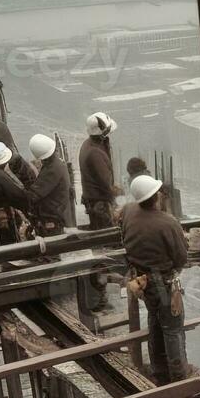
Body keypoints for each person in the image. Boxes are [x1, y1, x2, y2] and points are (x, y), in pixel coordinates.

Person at [120, 174, 198, 384]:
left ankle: (159, 372)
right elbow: (181, 258)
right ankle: (180, 376)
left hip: (143, 282)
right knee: (172, 330)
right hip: (163, 284)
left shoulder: (128, 212)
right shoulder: (167, 223)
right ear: (155, 197)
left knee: (154, 322)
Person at [79, 111, 122, 310]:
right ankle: (101, 295)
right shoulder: (95, 153)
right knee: (105, 249)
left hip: (95, 203)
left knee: (102, 247)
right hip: (100, 205)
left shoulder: (90, 145)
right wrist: (121, 193)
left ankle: (101, 289)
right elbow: (107, 185)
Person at [25, 134, 71, 236]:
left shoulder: (52, 169)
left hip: (51, 219)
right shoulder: (57, 164)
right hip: (56, 215)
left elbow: (33, 196)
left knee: (52, 249)